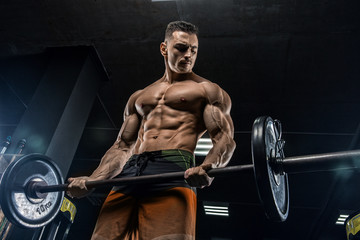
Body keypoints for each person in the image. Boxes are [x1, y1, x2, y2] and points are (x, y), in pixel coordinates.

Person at [67, 20, 236, 240]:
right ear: (164, 48)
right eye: (181, 48)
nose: (189, 55)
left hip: (173, 168)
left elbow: (224, 139)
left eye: (194, 50)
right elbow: (123, 146)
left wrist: (208, 167)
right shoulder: (139, 96)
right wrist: (93, 180)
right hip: (129, 172)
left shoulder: (207, 90)